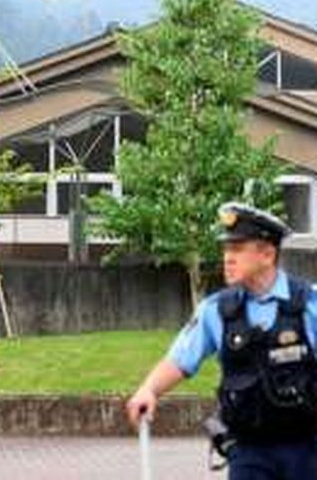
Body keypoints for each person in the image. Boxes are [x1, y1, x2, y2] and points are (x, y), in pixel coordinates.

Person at [126, 202, 317, 479]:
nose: (227, 257)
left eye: (238, 249)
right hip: (248, 452)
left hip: (307, 450)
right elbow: (180, 360)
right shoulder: (216, 310)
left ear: (267, 254)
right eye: (226, 249)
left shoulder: (308, 303)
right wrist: (149, 389)